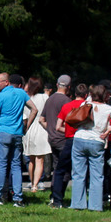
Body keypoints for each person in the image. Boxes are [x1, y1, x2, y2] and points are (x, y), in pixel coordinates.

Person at [69, 83, 111, 211]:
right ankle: (95, 205)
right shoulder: (108, 109)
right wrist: (108, 131)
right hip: (97, 140)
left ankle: (78, 204)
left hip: (80, 138)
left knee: (78, 174)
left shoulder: (85, 104)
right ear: (105, 96)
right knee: (97, 175)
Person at [0, 73, 37, 207]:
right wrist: (26, 127)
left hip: (4, 132)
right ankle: (18, 198)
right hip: (17, 133)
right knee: (16, 165)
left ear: (7, 82)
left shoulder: (1, 96)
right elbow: (34, 109)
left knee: (2, 165)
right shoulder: (21, 93)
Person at [43, 74, 73, 208]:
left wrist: (50, 129)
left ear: (57, 85)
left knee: (57, 168)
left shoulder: (50, 99)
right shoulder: (66, 101)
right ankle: (57, 196)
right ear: (69, 87)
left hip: (52, 138)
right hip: (63, 139)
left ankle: (54, 195)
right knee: (64, 170)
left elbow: (41, 119)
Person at [23, 76, 50, 193]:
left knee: (31, 159)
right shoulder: (44, 97)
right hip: (40, 129)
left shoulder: (26, 98)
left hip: (28, 129)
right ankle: (35, 185)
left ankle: (32, 181)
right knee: (40, 159)